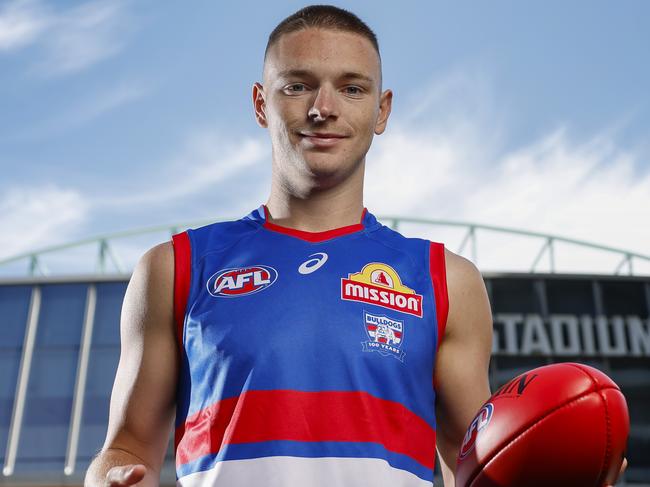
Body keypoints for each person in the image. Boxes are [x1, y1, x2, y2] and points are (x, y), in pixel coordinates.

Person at [84, 5, 625, 487]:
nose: (324, 108)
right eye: (297, 86)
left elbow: (479, 467)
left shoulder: (445, 279)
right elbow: (127, 444)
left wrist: (560, 468)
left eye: (351, 88)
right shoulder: (176, 267)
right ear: (259, 102)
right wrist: (113, 477)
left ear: (382, 110)